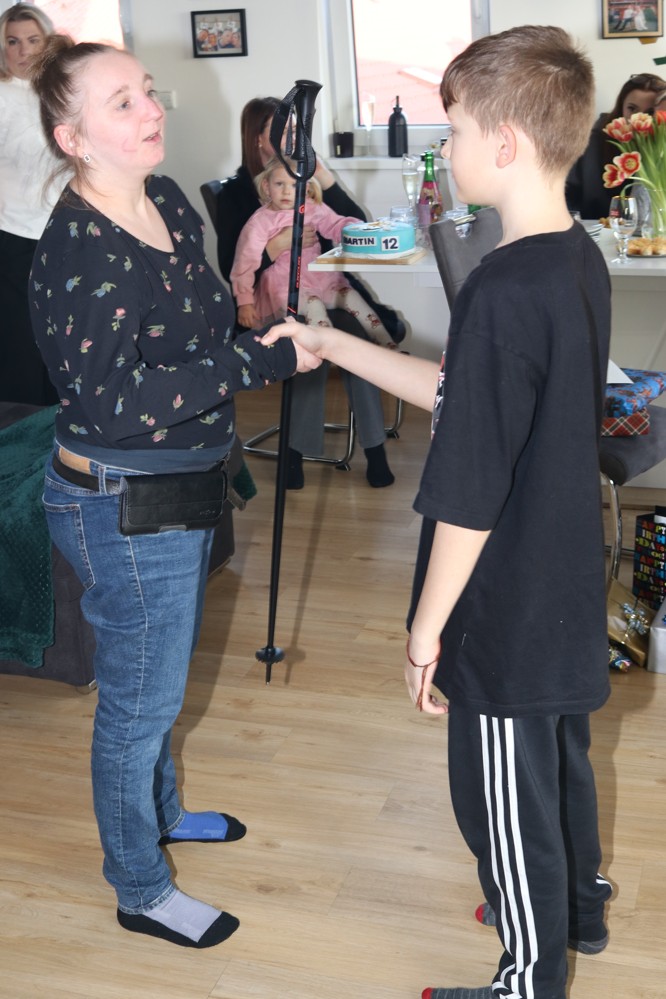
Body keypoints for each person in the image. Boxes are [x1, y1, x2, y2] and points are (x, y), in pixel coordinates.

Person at [262, 24, 612, 999]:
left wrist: (427, 632)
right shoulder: (571, 259)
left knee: (502, 798)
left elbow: (469, 489)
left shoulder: (502, 287)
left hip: (504, 602)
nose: (445, 149)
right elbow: (469, 398)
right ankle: (577, 910)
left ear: (504, 142)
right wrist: (336, 346)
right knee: (557, 762)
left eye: (452, 131)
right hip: (562, 580)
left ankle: (528, 979)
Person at [29, 36, 319, 949]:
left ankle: (161, 813)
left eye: (148, 92)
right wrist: (250, 365)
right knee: (139, 705)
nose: (153, 110)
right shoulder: (80, 251)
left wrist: (264, 332)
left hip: (182, 484)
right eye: (122, 102)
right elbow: (113, 406)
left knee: (157, 678)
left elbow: (199, 333)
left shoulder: (163, 201)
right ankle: (140, 887)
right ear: (72, 137)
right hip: (121, 503)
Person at [216, 95, 401, 490]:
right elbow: (231, 263)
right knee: (311, 343)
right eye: (279, 132)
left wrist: (322, 174)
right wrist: (278, 245)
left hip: (326, 290)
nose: (290, 140)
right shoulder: (237, 193)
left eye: (293, 131)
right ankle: (297, 453)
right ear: (257, 139)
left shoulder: (304, 179)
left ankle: (374, 450)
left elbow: (355, 227)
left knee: (355, 342)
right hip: (276, 301)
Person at [231, 157, 395, 347]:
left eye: (295, 185)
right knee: (314, 305)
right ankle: (325, 349)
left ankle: (389, 348)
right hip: (284, 286)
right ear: (266, 187)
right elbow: (245, 262)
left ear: (306, 188)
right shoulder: (260, 222)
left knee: (353, 298)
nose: (286, 191)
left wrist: (356, 230)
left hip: (321, 280)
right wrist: (244, 301)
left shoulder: (311, 208)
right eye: (279, 184)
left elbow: (334, 224)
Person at [0, 2, 60, 405]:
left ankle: (62, 421)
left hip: (63, 230)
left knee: (61, 332)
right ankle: (22, 425)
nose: (23, 50)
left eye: (33, 40)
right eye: (12, 41)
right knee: (21, 338)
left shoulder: (57, 92)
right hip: (14, 233)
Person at [566, 70, 666, 220]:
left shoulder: (661, 147)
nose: (636, 118)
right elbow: (567, 196)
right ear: (621, 108)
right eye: (632, 108)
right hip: (596, 229)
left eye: (650, 112)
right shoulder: (591, 142)